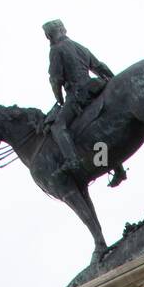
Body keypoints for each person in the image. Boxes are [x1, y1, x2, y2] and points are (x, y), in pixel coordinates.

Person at [42, 19, 114, 174]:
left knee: (58, 126)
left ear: (48, 35)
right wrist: (113, 80)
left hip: (77, 95)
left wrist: (59, 98)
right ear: (64, 29)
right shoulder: (78, 46)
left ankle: (72, 160)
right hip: (93, 88)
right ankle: (116, 167)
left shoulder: (56, 50)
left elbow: (55, 79)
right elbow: (100, 66)